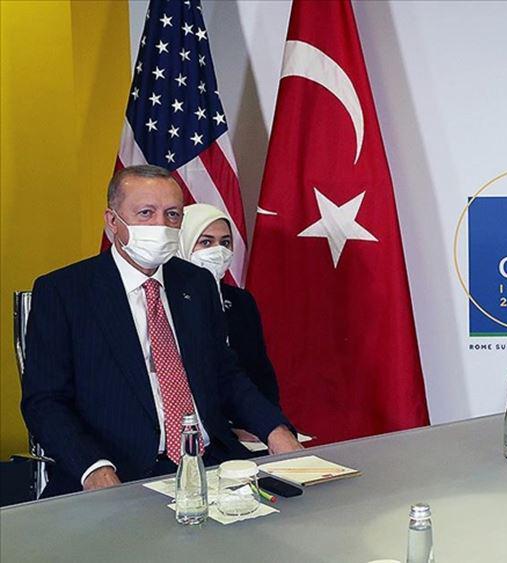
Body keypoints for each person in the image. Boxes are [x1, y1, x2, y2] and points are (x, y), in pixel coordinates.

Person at [21, 165, 303, 497]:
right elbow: (45, 402)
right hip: (117, 470)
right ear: (113, 221)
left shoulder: (196, 283)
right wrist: (94, 469)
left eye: (172, 214)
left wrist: (275, 430)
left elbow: (225, 374)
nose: (161, 225)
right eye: (146, 213)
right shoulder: (65, 292)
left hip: (211, 463)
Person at [178, 203, 280, 407]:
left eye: (225, 243)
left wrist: (272, 420)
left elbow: (260, 372)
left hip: (246, 417)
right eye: (206, 242)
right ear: (183, 242)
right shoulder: (162, 299)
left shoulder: (241, 301)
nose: (218, 251)